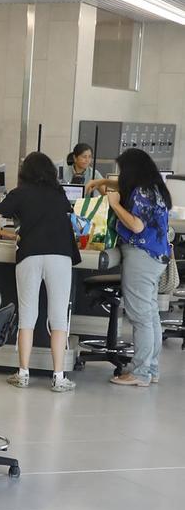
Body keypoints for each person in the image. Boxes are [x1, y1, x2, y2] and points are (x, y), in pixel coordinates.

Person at [0, 152, 79, 391]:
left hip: (30, 255)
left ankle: (23, 373)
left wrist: (11, 228)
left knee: (28, 316)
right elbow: (70, 219)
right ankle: (58, 377)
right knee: (58, 318)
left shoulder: (19, 194)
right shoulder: (59, 194)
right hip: (60, 255)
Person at [103, 148, 172, 386]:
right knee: (150, 315)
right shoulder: (153, 188)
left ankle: (140, 373)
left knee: (140, 316)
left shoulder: (141, 193)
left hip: (141, 257)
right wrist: (102, 181)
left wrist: (114, 205)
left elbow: (136, 226)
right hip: (156, 256)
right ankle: (150, 367)